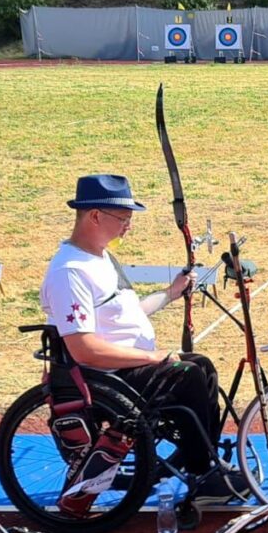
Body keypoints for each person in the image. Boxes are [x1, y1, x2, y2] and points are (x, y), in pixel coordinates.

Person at [40, 174, 240, 508]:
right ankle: (201, 471)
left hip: (124, 367)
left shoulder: (99, 258)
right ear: (94, 216)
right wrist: (155, 358)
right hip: (103, 375)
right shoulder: (70, 271)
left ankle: (204, 460)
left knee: (200, 365)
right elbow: (83, 348)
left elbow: (123, 315)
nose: (128, 226)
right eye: (123, 218)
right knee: (186, 374)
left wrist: (170, 294)